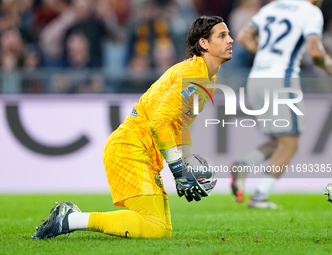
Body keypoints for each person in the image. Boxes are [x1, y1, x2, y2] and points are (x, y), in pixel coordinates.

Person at [32, 15, 233, 239]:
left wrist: (186, 163)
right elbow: (159, 123)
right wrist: (178, 170)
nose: (230, 40)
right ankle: (69, 219)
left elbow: (180, 125)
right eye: (222, 35)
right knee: (154, 228)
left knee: (162, 230)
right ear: (204, 43)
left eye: (228, 34)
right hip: (131, 148)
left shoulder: (208, 80)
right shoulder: (194, 75)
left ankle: (69, 218)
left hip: (141, 151)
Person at [231, 0, 332, 208]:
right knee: (290, 143)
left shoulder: (272, 7)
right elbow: (314, 50)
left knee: (279, 140)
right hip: (281, 80)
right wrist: (328, 65)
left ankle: (243, 165)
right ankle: (260, 196)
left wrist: (266, 57)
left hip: (256, 78)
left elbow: (244, 36)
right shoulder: (311, 11)